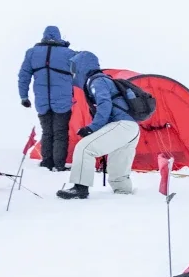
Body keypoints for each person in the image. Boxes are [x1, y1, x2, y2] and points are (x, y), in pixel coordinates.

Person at [58, 52, 141, 200]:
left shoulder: (97, 81)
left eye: (74, 67)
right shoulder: (103, 79)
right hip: (131, 128)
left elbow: (104, 105)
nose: (73, 71)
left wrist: (92, 128)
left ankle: (80, 188)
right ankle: (124, 195)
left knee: (84, 148)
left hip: (122, 125)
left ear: (82, 66)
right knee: (118, 169)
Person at [17, 25, 77, 170]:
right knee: (60, 133)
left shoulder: (32, 53)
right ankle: (59, 165)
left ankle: (47, 162)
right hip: (63, 100)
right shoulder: (69, 53)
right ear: (59, 36)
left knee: (47, 132)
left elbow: (24, 76)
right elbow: (78, 73)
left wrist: (24, 96)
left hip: (42, 101)